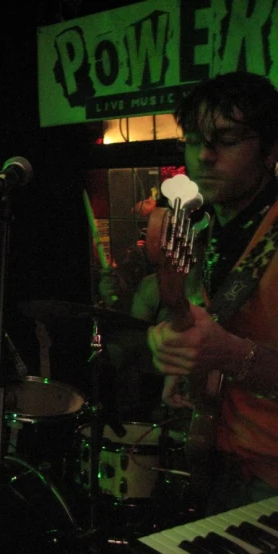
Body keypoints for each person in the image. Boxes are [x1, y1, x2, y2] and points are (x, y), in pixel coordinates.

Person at [147, 72, 278, 515]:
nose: (203, 155)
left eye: (228, 140)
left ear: (271, 149)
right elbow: (209, 326)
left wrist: (230, 355)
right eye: (194, 139)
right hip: (222, 466)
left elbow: (231, 348)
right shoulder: (207, 231)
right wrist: (178, 353)